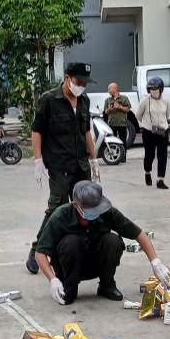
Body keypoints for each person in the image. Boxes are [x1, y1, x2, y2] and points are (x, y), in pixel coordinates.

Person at [35, 181, 170, 305]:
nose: (95, 213)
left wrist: (155, 262)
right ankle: (68, 288)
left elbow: (139, 234)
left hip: (97, 264)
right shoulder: (61, 216)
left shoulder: (107, 212)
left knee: (112, 240)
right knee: (71, 242)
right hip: (69, 267)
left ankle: (107, 286)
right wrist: (52, 279)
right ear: (76, 205)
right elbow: (40, 253)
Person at [25, 62, 101, 274]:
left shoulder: (84, 100)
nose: (82, 86)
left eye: (85, 83)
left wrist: (94, 159)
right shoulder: (49, 99)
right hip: (59, 166)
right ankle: (37, 250)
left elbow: (86, 132)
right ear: (67, 78)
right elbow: (37, 131)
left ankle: (85, 249)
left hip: (80, 165)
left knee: (86, 207)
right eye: (79, 81)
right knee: (56, 209)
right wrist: (38, 160)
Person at [135, 75, 170, 189]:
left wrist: (161, 125)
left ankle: (160, 179)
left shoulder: (166, 101)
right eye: (151, 89)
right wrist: (147, 124)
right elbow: (138, 115)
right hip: (149, 132)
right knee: (149, 155)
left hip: (162, 131)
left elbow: (167, 115)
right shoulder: (145, 101)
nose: (153, 91)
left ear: (161, 89)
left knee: (162, 155)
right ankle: (147, 172)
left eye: (155, 89)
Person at [102, 82, 132, 161]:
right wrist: (109, 109)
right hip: (111, 124)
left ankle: (123, 157)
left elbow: (128, 109)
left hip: (122, 123)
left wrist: (120, 107)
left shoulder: (124, 98)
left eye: (109, 89)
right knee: (113, 141)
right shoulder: (108, 100)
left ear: (114, 89)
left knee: (123, 141)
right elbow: (105, 112)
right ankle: (115, 157)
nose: (108, 91)